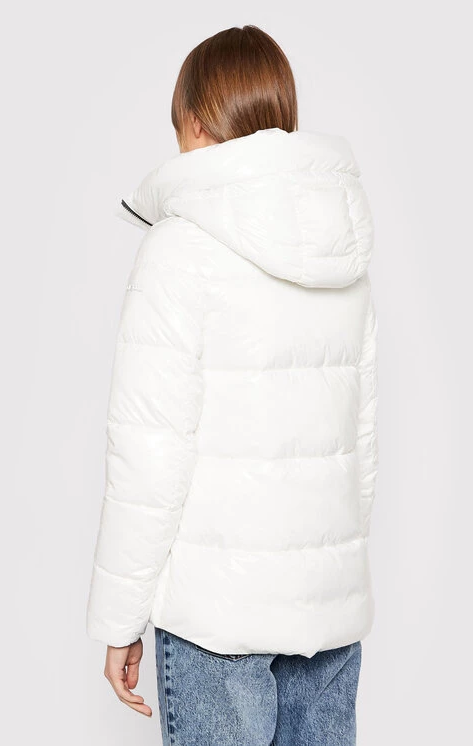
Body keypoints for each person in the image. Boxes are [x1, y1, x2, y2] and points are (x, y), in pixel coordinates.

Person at [87, 25, 378, 746]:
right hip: (328, 615)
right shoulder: (344, 251)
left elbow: (149, 456)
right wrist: (329, 574)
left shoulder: (179, 249)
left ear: (194, 120)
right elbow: (361, 446)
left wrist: (119, 617)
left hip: (216, 619)